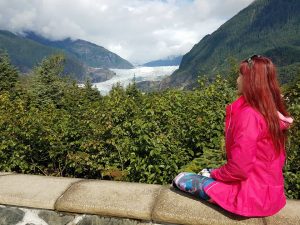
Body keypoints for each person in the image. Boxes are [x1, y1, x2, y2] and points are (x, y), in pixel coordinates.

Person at [171, 55, 294, 217]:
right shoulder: (272, 113)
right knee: (208, 172)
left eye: (241, 75)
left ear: (251, 81)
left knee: (182, 178)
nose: (237, 80)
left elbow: (239, 169)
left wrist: (215, 174)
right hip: (272, 196)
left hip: (250, 198)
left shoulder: (249, 115)